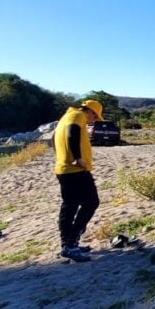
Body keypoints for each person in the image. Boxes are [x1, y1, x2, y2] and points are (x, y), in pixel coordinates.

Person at [53, 99, 104, 262]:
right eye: (95, 117)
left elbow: (55, 138)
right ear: (90, 111)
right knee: (91, 203)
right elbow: (72, 132)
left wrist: (64, 157)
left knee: (69, 206)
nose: (93, 121)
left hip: (64, 169)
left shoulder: (66, 116)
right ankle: (71, 243)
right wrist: (76, 158)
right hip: (76, 170)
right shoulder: (78, 116)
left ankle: (66, 245)